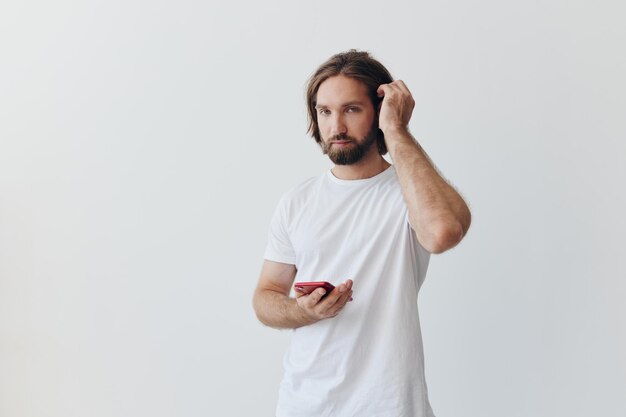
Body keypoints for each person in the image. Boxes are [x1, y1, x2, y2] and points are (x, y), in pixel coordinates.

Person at [253, 50, 471, 417]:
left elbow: (442, 232)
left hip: (390, 406)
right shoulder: (297, 201)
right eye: (325, 111)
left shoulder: (411, 192)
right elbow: (265, 296)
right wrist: (300, 310)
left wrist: (397, 130)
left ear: (380, 110)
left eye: (351, 109)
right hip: (304, 405)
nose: (336, 125)